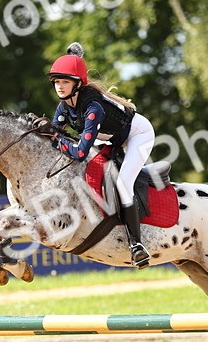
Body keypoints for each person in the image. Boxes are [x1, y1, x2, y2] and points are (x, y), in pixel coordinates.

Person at [47, 43, 155, 268]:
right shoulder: (63, 107)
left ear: (78, 84)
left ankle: (136, 245)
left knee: (124, 183)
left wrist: (57, 139)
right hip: (108, 137)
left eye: (65, 81)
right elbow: (54, 135)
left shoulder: (93, 107)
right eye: (57, 81)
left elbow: (78, 152)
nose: (59, 86)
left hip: (138, 134)